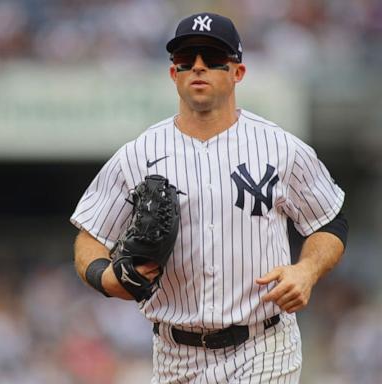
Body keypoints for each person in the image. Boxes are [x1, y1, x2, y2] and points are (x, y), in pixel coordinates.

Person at [71, 12, 348, 384]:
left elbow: (330, 220)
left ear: (238, 72)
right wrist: (106, 277)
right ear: (174, 74)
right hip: (176, 354)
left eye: (213, 59)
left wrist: (307, 270)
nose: (198, 67)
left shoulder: (281, 148)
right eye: (186, 61)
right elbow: (90, 237)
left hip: (263, 345)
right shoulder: (138, 154)